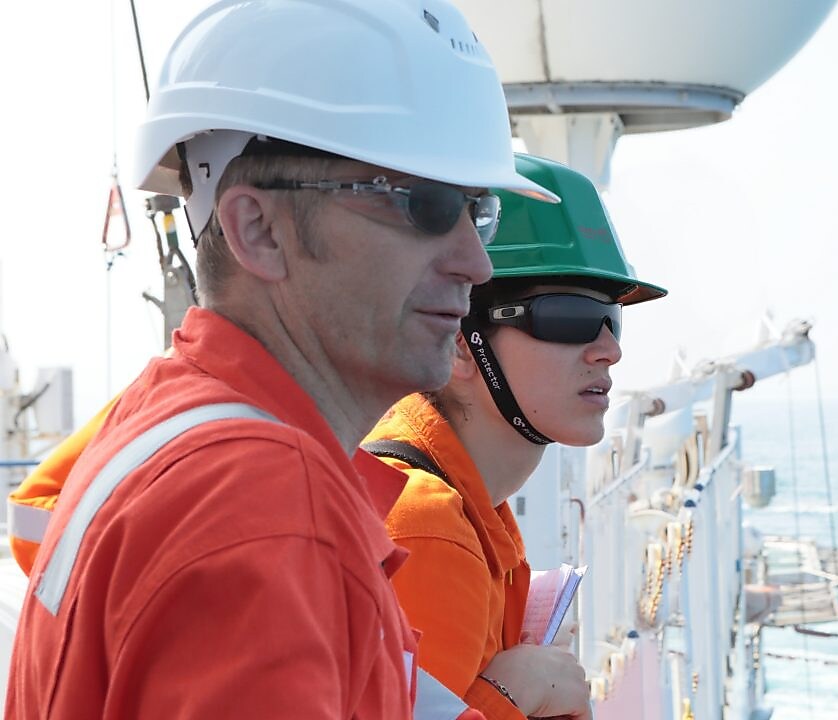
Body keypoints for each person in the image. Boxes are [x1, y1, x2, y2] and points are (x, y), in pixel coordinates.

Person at [5, 0, 556, 717]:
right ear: (258, 230)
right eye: (423, 205)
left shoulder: (169, 425)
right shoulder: (264, 504)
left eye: (478, 211)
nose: (475, 263)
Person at [364, 154, 666, 720]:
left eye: (611, 320)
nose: (608, 349)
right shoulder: (427, 531)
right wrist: (515, 693)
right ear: (458, 341)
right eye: (568, 316)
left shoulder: (472, 506)